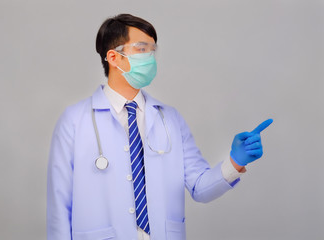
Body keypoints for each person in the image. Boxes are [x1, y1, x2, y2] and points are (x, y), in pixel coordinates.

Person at [47, 13, 273, 240]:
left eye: (152, 50)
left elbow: (200, 187)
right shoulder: (75, 120)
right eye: (142, 49)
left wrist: (236, 161)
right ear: (114, 57)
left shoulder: (170, 119)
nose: (150, 57)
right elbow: (59, 204)